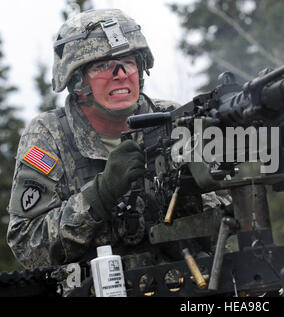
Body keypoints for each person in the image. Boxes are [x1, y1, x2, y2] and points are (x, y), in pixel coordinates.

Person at [7, 9, 229, 270]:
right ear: (77, 81)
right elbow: (27, 245)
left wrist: (192, 185)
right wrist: (100, 195)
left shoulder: (172, 118)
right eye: (103, 66)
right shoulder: (49, 135)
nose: (121, 74)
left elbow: (226, 217)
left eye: (129, 62)